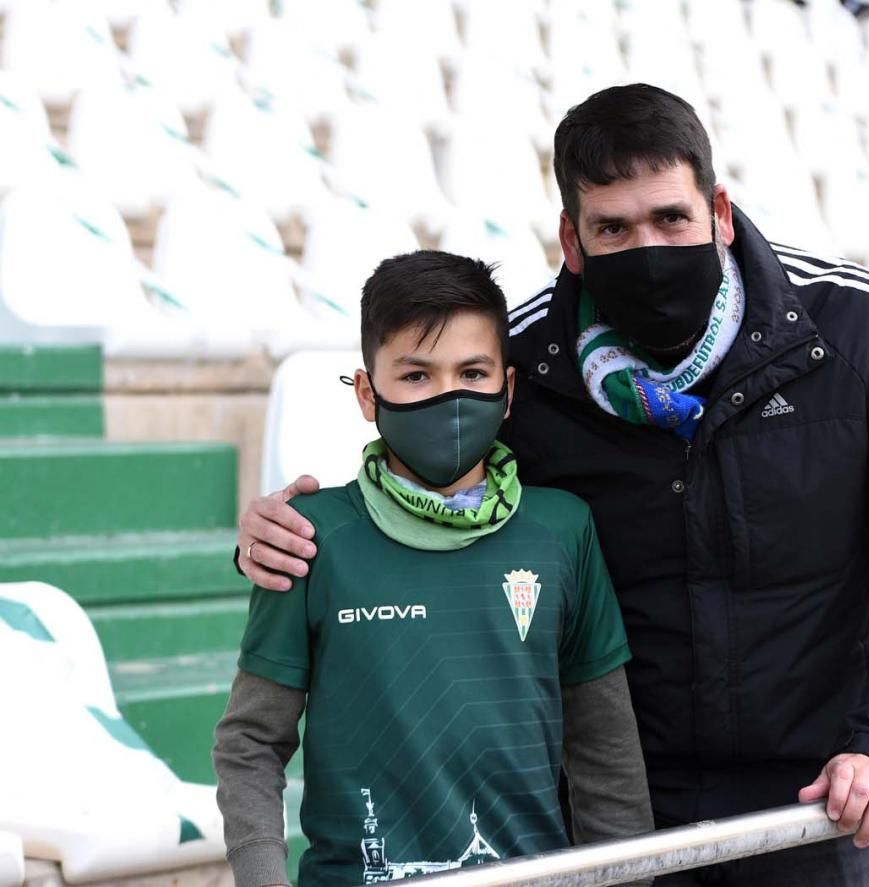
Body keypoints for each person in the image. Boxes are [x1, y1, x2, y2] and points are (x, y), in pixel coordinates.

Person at [236, 84, 869, 886]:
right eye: (613, 227)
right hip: (602, 824)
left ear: (720, 213)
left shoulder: (851, 326)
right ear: (571, 239)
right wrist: (284, 531)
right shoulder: (525, 366)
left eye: (670, 218)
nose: (648, 247)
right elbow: (418, 499)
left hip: (813, 808)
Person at [213, 251, 653, 886]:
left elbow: (604, 748)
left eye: (473, 373)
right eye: (416, 376)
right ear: (368, 393)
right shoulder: (310, 536)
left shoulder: (563, 529)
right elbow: (251, 743)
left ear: (508, 391)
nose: (449, 399)